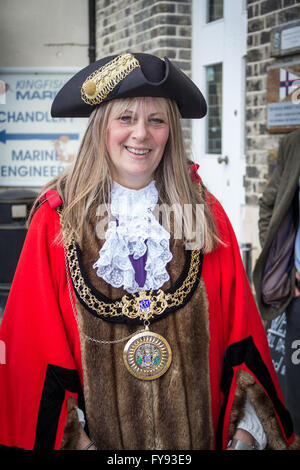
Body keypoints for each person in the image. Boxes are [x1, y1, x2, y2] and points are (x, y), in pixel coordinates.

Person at [0, 52, 294, 451]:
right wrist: (77, 443)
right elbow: (31, 345)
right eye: (126, 118)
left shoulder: (203, 214)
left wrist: (246, 432)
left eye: (156, 120)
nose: (141, 134)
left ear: (170, 132)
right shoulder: (57, 220)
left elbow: (241, 330)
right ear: (101, 127)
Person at [253, 129, 300, 438]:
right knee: (292, 394)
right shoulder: (293, 143)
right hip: (295, 293)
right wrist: (280, 264)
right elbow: (269, 206)